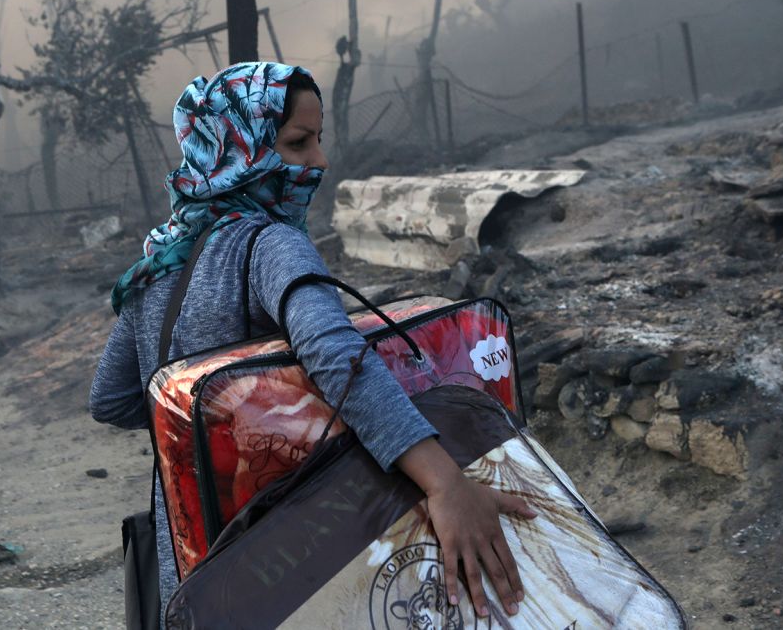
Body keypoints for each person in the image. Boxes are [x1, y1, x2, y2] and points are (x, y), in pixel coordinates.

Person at [89, 62, 535, 623]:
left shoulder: (156, 266)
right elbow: (334, 355)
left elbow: (112, 400)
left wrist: (211, 422)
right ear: (239, 149)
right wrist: (445, 483)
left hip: (193, 549)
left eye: (318, 140)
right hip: (291, 545)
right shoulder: (271, 244)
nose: (319, 161)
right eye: (298, 143)